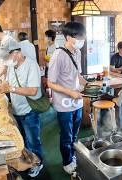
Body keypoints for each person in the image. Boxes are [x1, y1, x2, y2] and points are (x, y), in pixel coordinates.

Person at [0, 44, 43, 177]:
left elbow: (33, 91)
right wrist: (1, 85)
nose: (6, 61)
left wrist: (11, 89)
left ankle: (38, 163)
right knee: (23, 140)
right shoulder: (12, 66)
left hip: (29, 110)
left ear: (16, 52)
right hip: (17, 109)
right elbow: (8, 83)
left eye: (7, 57)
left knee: (34, 140)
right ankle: (29, 161)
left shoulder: (31, 65)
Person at [47, 22, 87, 174]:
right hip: (64, 104)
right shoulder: (58, 55)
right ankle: (67, 162)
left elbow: (78, 74)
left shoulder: (76, 52)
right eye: (79, 37)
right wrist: (70, 92)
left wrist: (87, 83)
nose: (82, 40)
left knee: (74, 134)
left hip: (77, 101)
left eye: (83, 36)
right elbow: (50, 82)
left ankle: (72, 156)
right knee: (66, 135)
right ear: (69, 37)